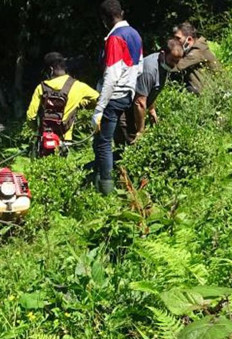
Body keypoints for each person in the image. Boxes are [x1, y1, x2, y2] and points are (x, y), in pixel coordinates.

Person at [92, 0, 143, 195]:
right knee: (110, 139)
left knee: (104, 143)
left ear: (105, 19)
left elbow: (111, 76)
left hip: (114, 96)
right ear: (121, 12)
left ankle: (106, 189)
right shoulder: (135, 34)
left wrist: (99, 109)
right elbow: (139, 67)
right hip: (128, 94)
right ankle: (112, 178)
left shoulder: (115, 38)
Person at [26, 52, 98, 156]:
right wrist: (83, 104)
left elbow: (30, 116)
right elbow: (99, 99)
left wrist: (37, 130)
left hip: (45, 138)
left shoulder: (40, 88)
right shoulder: (78, 86)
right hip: (65, 139)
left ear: (50, 69)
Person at [131, 39, 184, 137]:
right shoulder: (149, 70)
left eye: (177, 61)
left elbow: (152, 89)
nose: (174, 64)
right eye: (172, 60)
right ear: (163, 54)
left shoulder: (163, 65)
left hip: (136, 108)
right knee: (128, 142)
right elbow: (140, 102)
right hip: (127, 110)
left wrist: (151, 110)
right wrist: (140, 131)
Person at [172, 22, 220, 94]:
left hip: (215, 92)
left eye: (178, 38)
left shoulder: (197, 51)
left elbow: (177, 67)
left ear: (189, 39)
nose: (175, 42)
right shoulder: (192, 49)